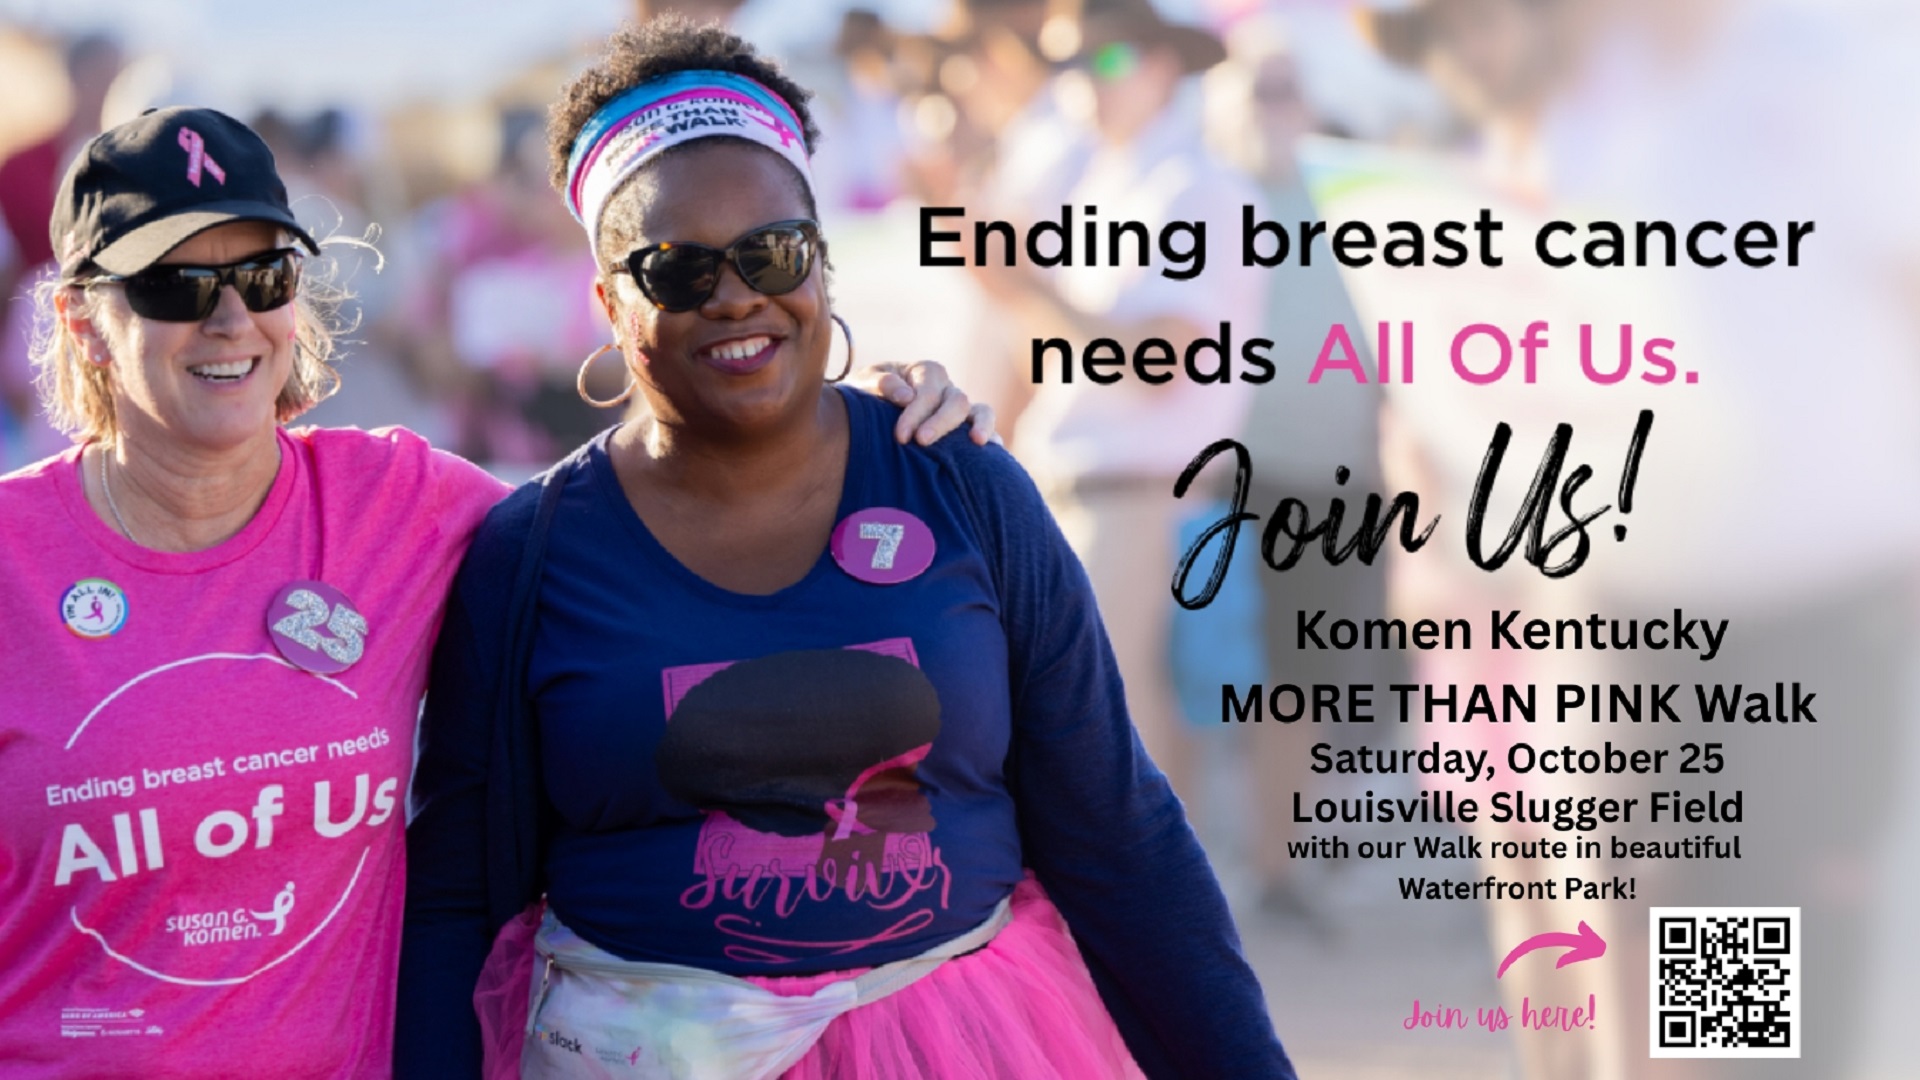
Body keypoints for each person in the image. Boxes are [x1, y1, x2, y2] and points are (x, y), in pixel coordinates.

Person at [0, 105, 989, 1079]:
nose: (230, 318)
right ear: (83, 320)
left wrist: (863, 430)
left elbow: (655, 502)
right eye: (174, 285)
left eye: (262, 276)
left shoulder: (399, 505)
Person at [395, 17, 1294, 1080]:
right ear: (608, 299)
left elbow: (1119, 833)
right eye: (677, 271)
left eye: (772, 253)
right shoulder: (530, 553)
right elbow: (459, 895)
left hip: (969, 1046)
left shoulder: (962, 483)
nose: (735, 296)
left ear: (822, 262)